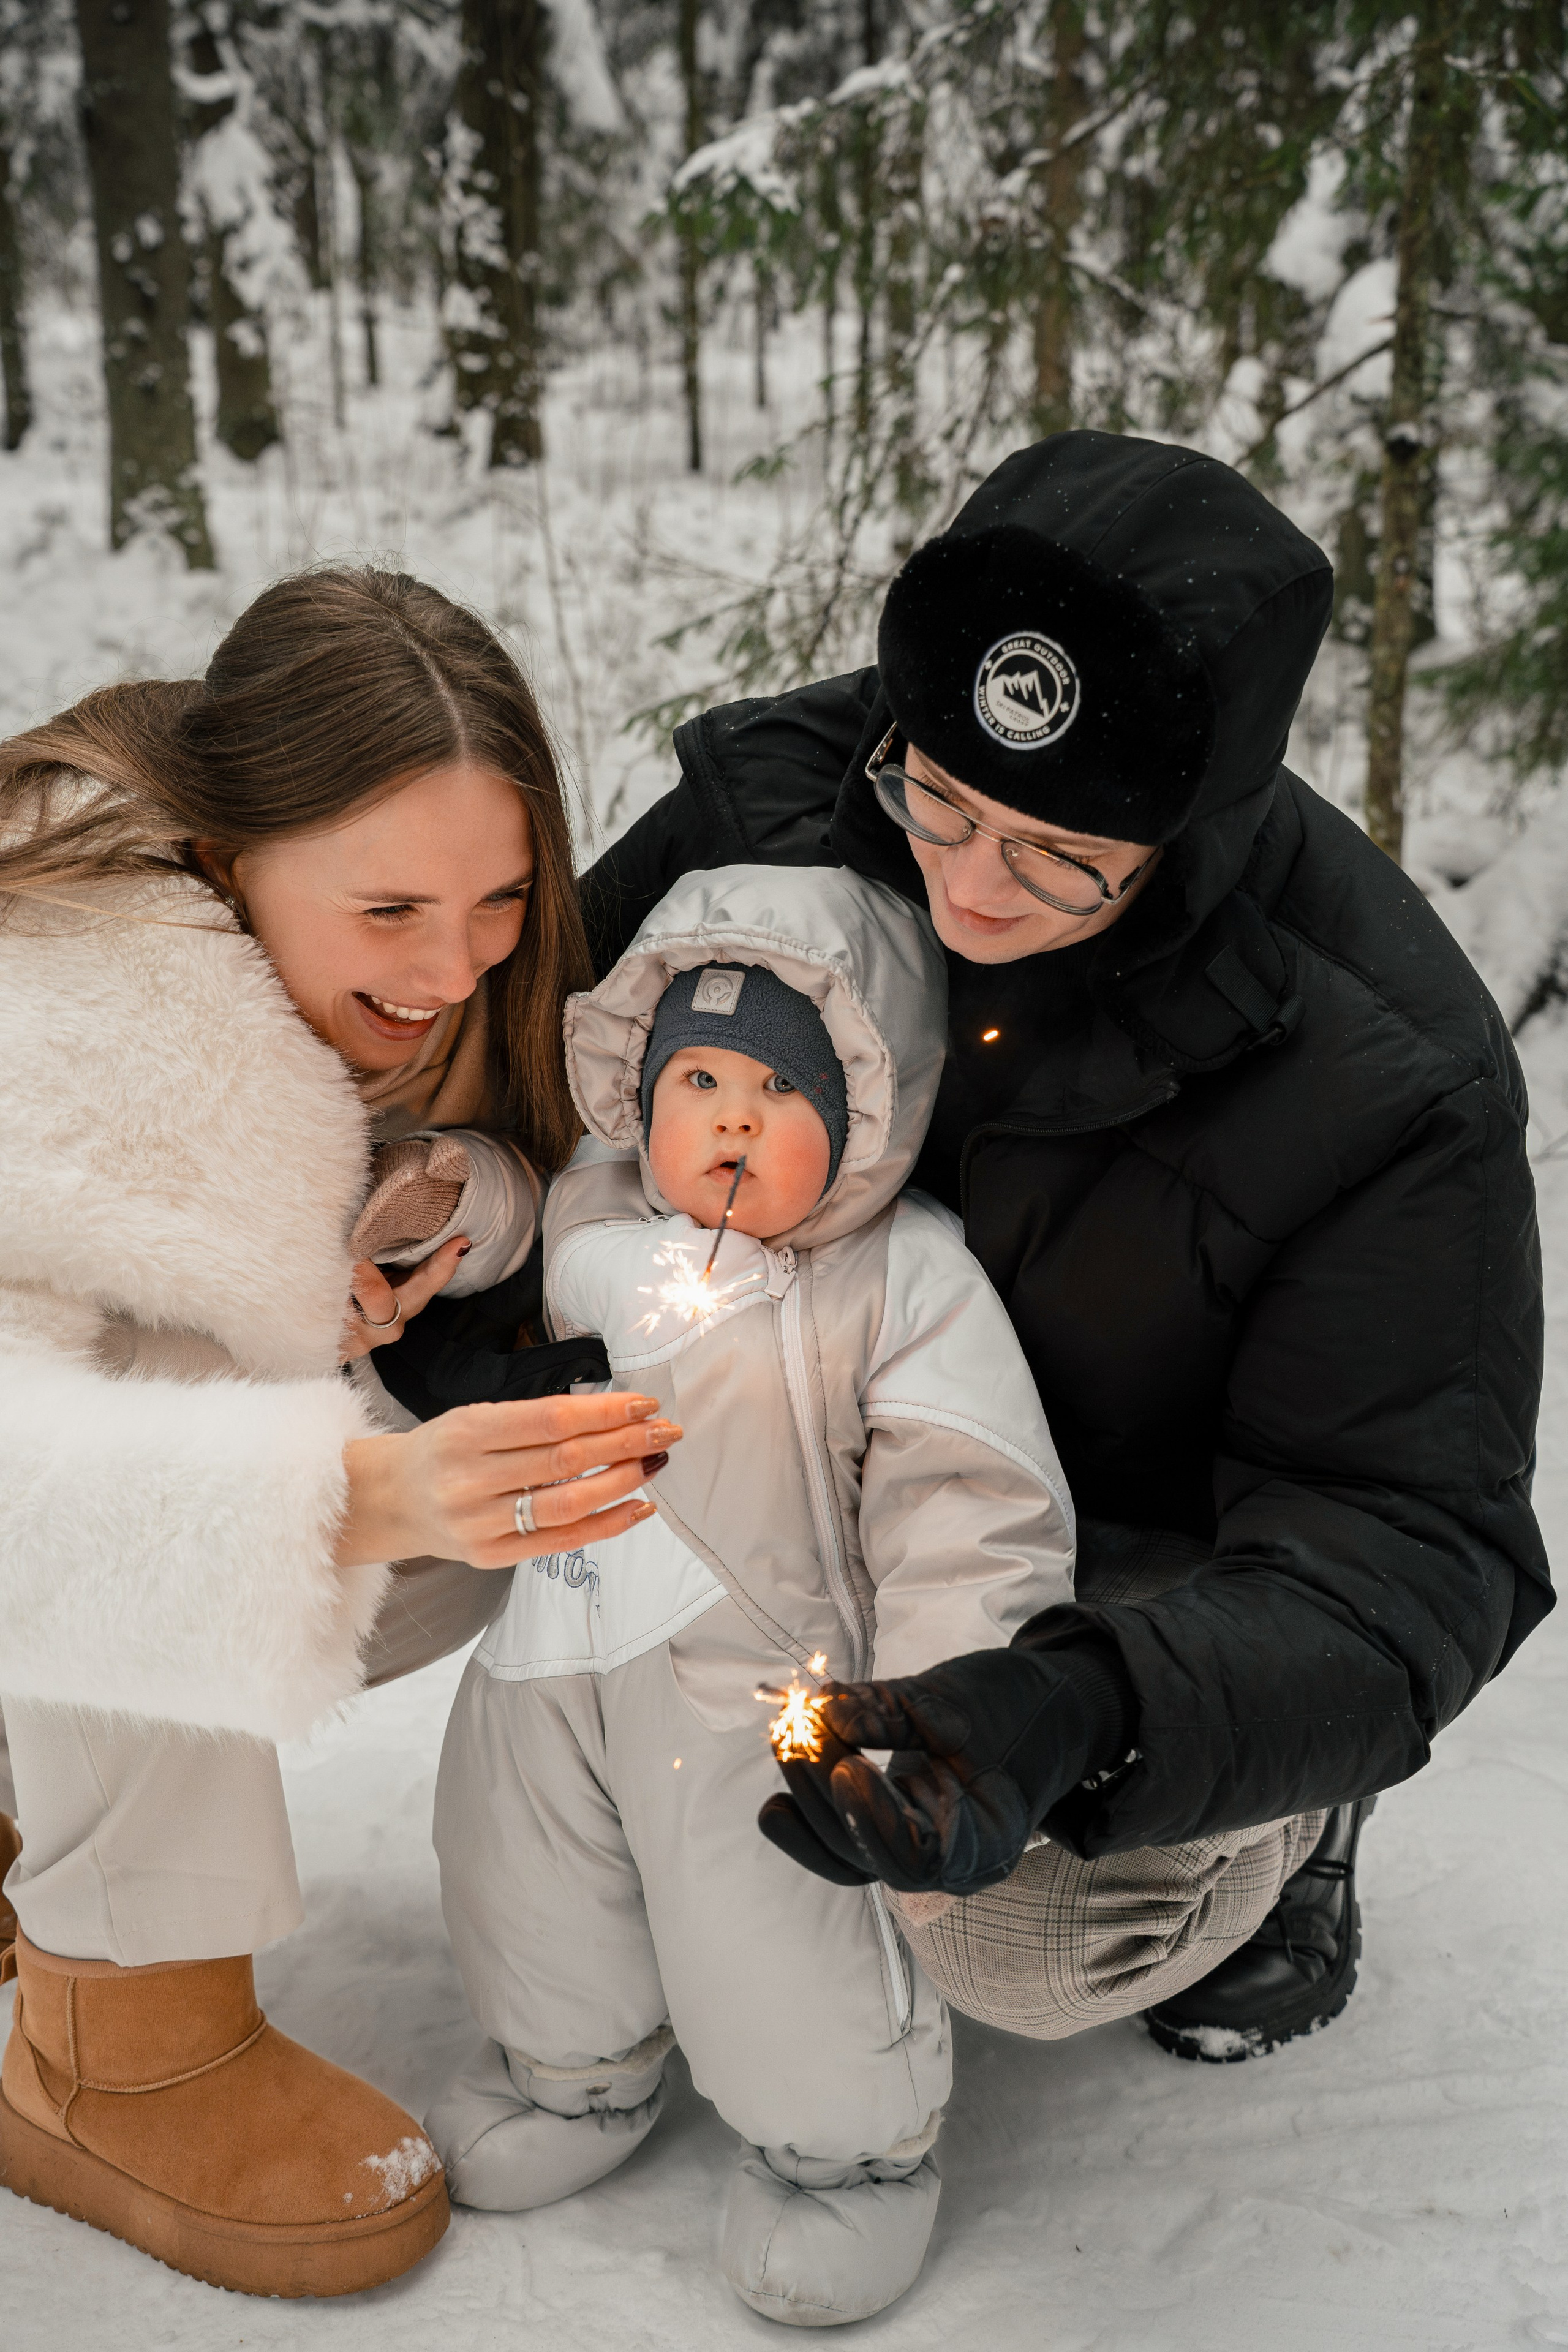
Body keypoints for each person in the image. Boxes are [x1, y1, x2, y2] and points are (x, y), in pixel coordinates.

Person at [581, 430, 1552, 2060]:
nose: (969, 887)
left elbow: (1409, 1542)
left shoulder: (1393, 1075)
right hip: (794, 1427)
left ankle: (1287, 1823)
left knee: (1024, 1941)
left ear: (1193, 825)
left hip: (1107, 1568)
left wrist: (1087, 1707)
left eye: (1058, 859)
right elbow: (537, 1044)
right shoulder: (782, 801)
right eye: (941, 805)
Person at [0, 569, 682, 2297]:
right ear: (229, 860)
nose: (455, 963)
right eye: (391, 909)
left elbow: (495, 1138)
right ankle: (117, 2038)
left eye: (503, 900)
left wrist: (448, 1195)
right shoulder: (61, 1024)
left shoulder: (340, 977)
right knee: (181, 1392)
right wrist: (363, 1489)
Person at [422, 862, 1074, 2326]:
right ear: (636, 1096)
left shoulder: (897, 1281)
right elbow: (502, 1205)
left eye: (780, 1094)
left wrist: (941, 1697)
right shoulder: (594, 1216)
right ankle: (571, 2073)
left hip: (756, 1686)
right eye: (698, 1077)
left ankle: (849, 2154)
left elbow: (970, 1505)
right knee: (525, 1872)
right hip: (549, 1658)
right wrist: (449, 1191)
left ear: (861, 1117)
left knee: (772, 1916)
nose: (728, 1117)